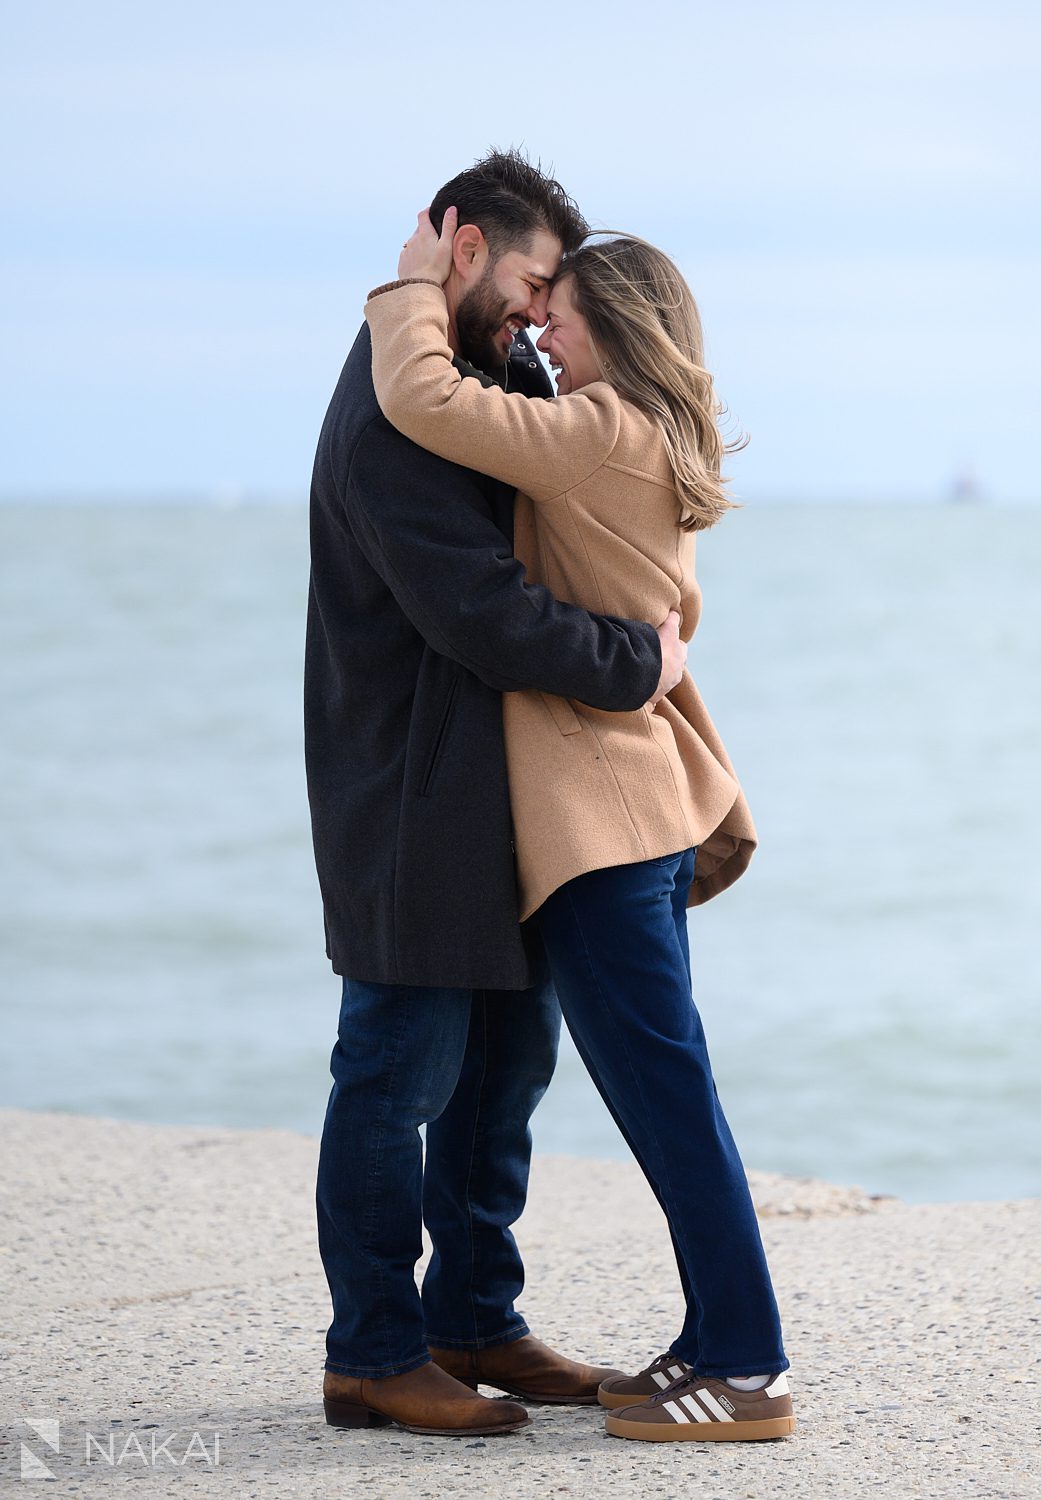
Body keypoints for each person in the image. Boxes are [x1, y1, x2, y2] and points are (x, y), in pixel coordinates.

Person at [362, 208, 796, 1442]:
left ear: (618, 323)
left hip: (604, 831)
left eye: (561, 306)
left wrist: (407, 292)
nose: (540, 320)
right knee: (672, 1093)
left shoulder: (599, 432)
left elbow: (432, 407)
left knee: (669, 1102)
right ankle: (713, 1339)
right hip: (637, 817)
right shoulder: (657, 431)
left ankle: (750, 1368)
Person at [305, 150, 688, 1439]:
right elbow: (484, 611)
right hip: (411, 795)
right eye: (529, 280)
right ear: (459, 245)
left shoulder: (484, 380)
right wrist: (636, 664)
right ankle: (371, 1350)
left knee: (506, 1072)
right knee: (394, 1074)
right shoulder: (393, 406)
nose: (539, 314)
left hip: (500, 799)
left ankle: (476, 1315)